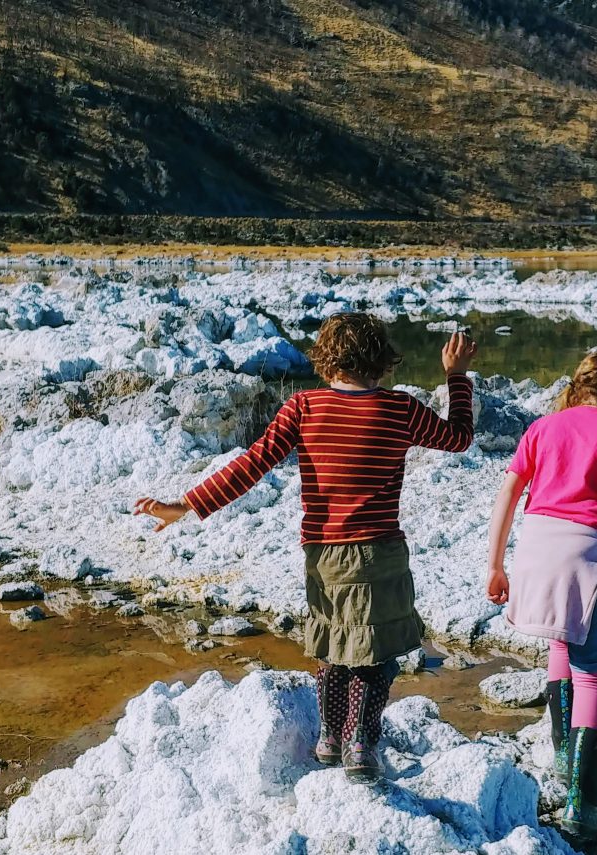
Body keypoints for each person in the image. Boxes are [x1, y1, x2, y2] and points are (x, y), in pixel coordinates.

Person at [134, 313, 477, 783]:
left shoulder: (303, 407)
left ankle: (330, 736)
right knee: (375, 654)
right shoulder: (400, 410)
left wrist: (185, 505)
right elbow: (459, 437)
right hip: (380, 553)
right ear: (380, 360)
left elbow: (251, 465)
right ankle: (362, 741)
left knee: (333, 643)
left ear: (326, 359)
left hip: (323, 555)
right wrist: (456, 376)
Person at [486, 349, 597, 839]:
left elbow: (507, 494)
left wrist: (496, 564)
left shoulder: (543, 429)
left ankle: (565, 758)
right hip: (586, 557)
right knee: (593, 678)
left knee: (559, 643)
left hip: (535, 549)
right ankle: (581, 806)